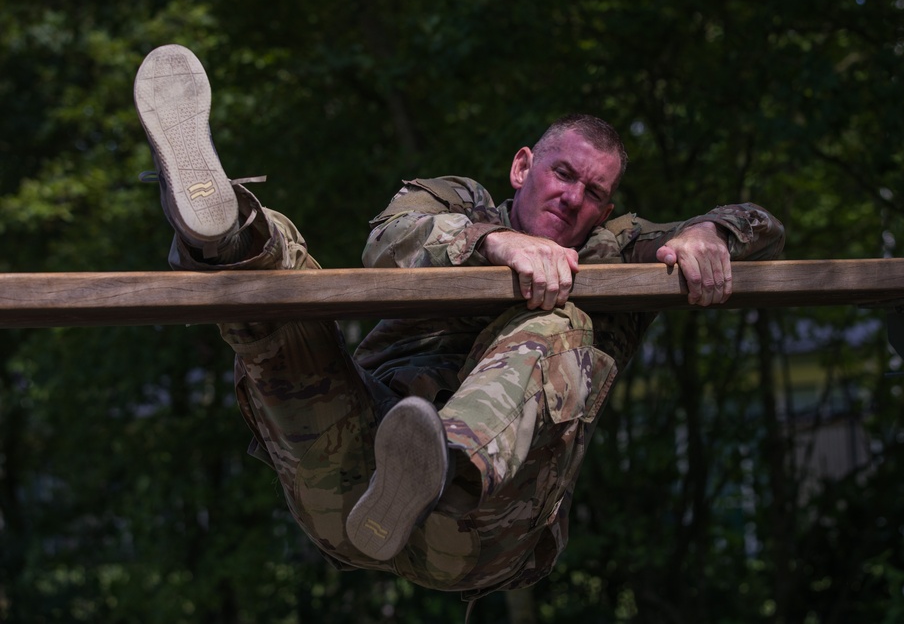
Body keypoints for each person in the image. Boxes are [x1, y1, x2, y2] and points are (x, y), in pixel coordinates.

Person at [134, 44, 784, 601]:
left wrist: (710, 232)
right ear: (523, 165)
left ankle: (439, 460)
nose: (573, 198)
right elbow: (389, 239)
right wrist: (493, 243)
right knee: (285, 302)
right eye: (563, 174)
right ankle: (227, 231)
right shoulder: (455, 200)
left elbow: (757, 220)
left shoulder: (611, 247)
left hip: (480, 523)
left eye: (594, 192)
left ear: (606, 206)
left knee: (561, 323)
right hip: (350, 476)